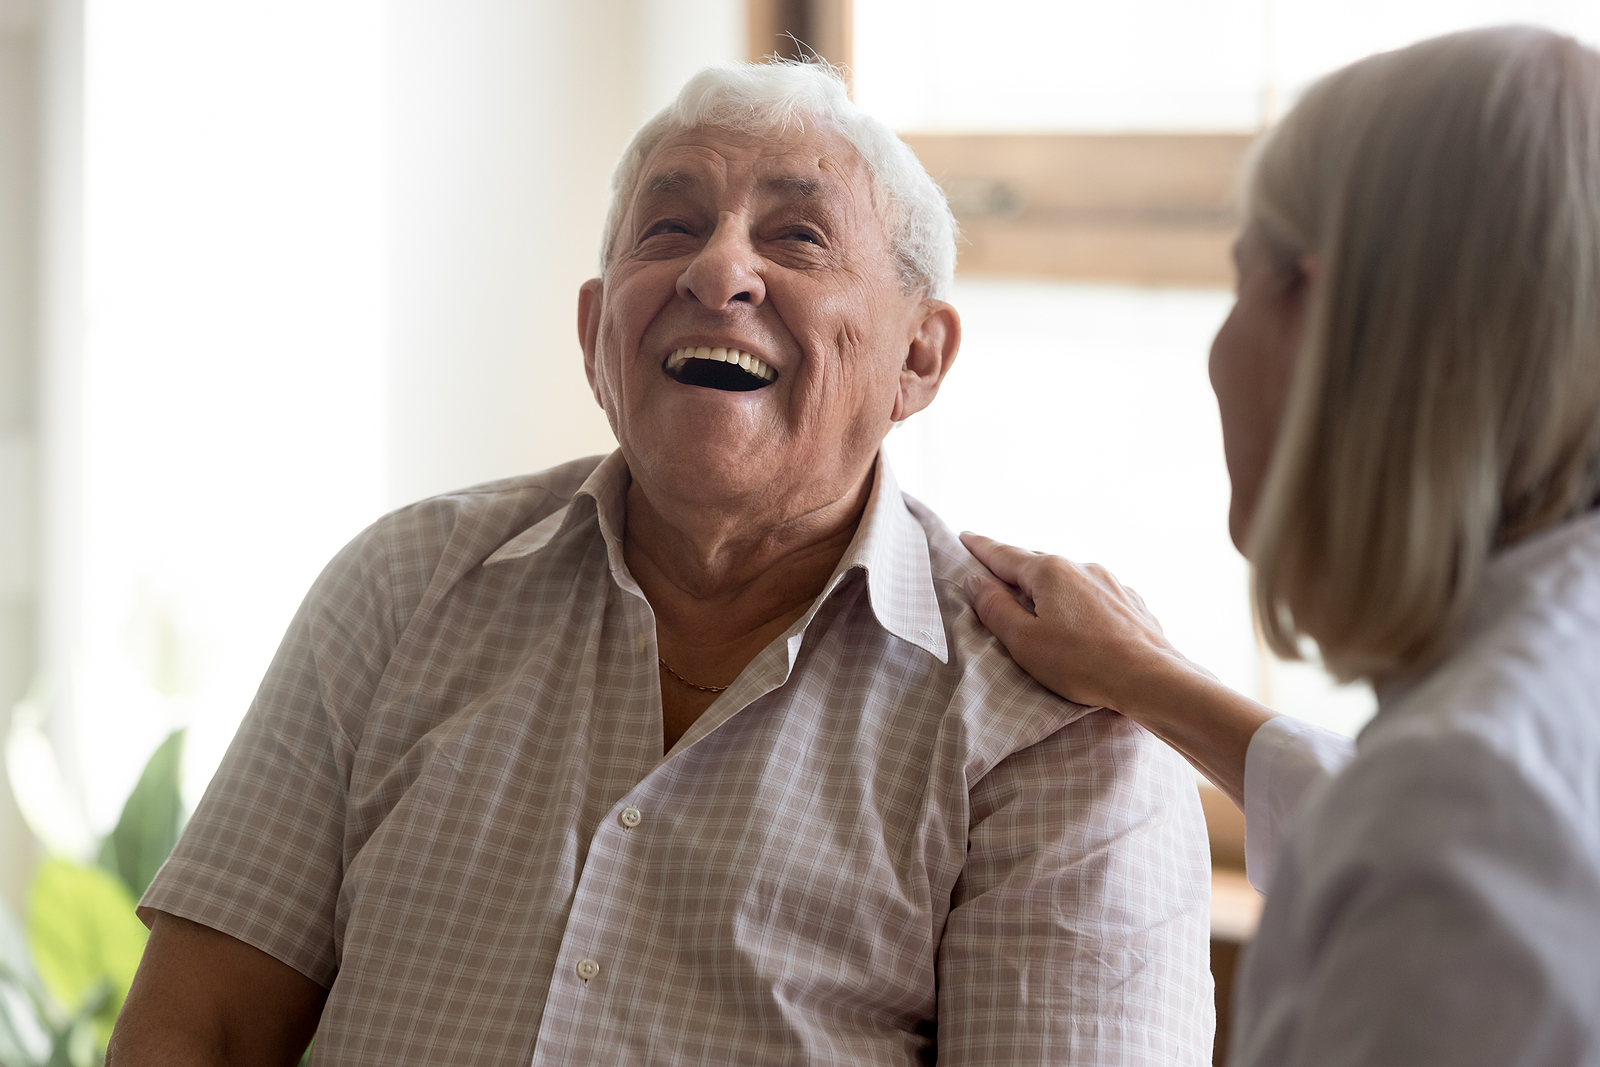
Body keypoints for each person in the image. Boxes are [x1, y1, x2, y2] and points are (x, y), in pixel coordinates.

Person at [107, 62, 1213, 1066]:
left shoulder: (1052, 724)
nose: (718, 269)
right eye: (670, 228)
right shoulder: (403, 585)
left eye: (797, 238)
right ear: (597, 333)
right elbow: (197, 1030)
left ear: (918, 354)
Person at [964, 25, 1600, 1067]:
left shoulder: (1463, 815)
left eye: (1239, 277)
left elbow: (1429, 824)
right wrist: (1147, 678)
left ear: (1323, 310)